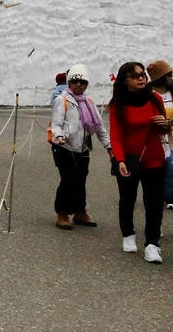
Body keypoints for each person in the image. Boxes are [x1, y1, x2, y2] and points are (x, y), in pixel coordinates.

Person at [108, 61, 172, 263]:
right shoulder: (118, 104)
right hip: (128, 159)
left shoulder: (154, 99)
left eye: (142, 74)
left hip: (154, 157)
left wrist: (165, 124)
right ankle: (128, 233)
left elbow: (164, 129)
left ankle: (152, 244)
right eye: (135, 76)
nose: (141, 78)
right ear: (124, 80)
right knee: (128, 198)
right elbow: (116, 136)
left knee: (153, 202)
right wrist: (119, 160)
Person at [49, 64, 109, 229]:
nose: (78, 85)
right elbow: (56, 124)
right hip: (64, 147)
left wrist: (109, 146)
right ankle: (62, 213)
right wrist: (59, 136)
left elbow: (99, 126)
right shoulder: (62, 100)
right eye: (75, 81)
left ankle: (80, 212)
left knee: (81, 179)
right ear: (69, 82)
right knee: (68, 179)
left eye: (82, 82)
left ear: (86, 84)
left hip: (82, 147)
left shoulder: (88, 101)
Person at [147, 59, 173, 210]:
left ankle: (169, 196)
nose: (171, 77)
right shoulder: (149, 95)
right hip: (157, 138)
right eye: (168, 74)